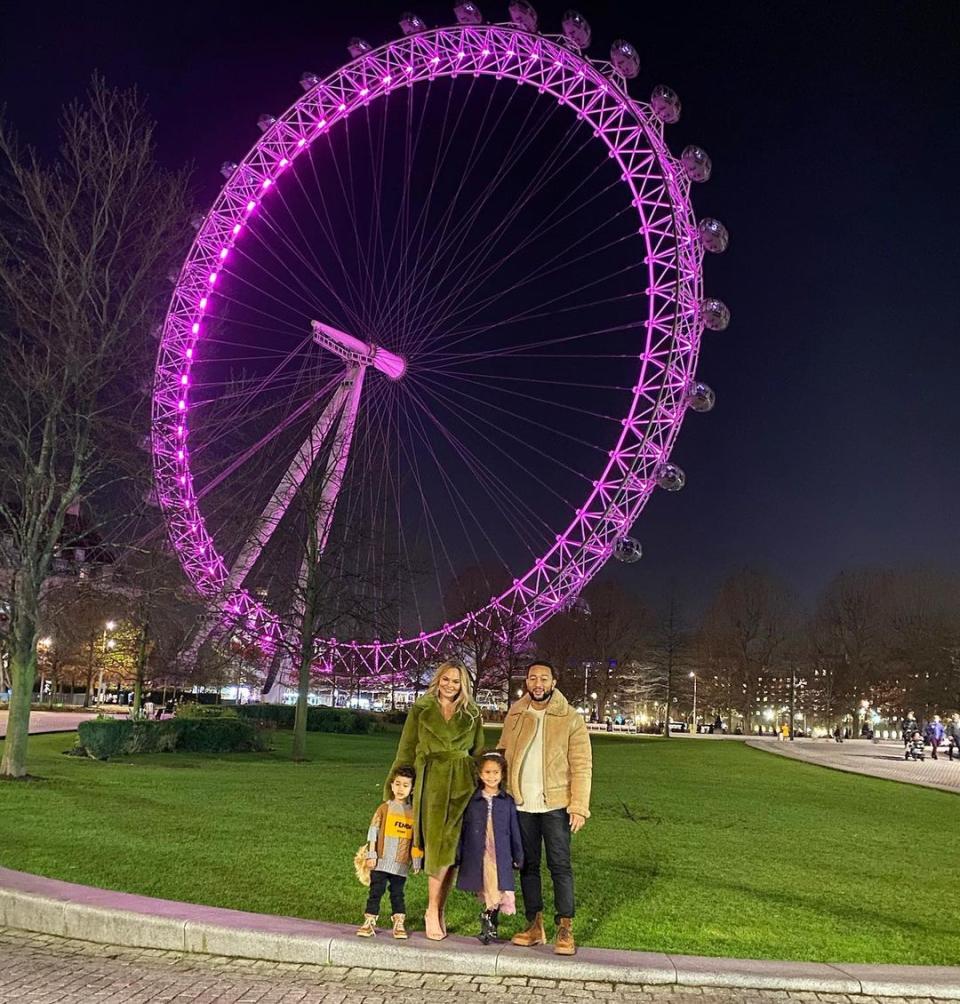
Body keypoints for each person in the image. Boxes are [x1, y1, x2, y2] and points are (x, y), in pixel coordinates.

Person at [385, 660, 485, 941]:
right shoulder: (421, 710)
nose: (450, 685)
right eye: (446, 679)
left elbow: (478, 752)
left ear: (463, 685)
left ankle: (439, 909)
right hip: (431, 785)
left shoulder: (473, 714)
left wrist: (481, 786)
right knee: (438, 848)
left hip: (463, 785)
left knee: (451, 852)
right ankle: (432, 910)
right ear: (437, 680)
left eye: (456, 681)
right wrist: (396, 787)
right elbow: (405, 750)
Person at [501, 660, 592, 957]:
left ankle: (565, 926)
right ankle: (534, 923)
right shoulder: (515, 713)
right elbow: (502, 755)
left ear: (554, 682)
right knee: (527, 866)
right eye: (532, 678)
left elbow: (582, 765)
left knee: (560, 866)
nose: (537, 683)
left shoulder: (570, 718)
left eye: (543, 678)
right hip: (521, 803)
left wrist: (578, 805)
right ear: (526, 682)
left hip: (556, 805)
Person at [456, 751, 524, 945]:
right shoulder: (474, 801)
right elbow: (465, 829)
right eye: (487, 772)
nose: (491, 777)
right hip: (480, 852)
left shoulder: (507, 801)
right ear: (480, 774)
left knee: (498, 887)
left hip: (500, 852)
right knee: (489, 885)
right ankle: (489, 923)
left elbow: (514, 829)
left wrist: (518, 854)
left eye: (496, 772)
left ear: (502, 774)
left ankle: (489, 921)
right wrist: (460, 853)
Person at [356, 766, 422, 939]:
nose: (401, 789)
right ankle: (369, 922)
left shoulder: (413, 814)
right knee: (375, 892)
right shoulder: (384, 809)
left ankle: (399, 923)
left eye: (405, 785)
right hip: (381, 861)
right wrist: (371, 854)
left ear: (412, 789)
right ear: (391, 786)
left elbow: (416, 839)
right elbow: (373, 831)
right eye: (397, 784)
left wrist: (416, 860)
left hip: (400, 864)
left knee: (397, 894)